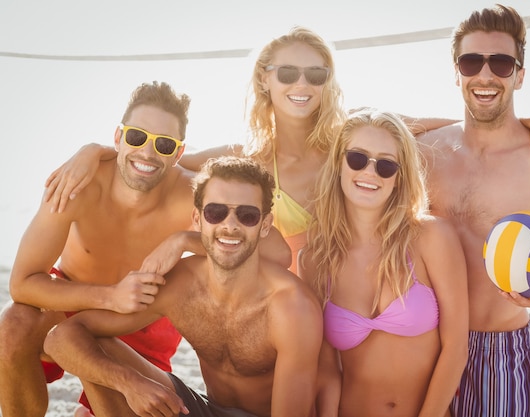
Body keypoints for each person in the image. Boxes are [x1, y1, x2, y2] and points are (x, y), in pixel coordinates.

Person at [43, 27, 530, 273]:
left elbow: (449, 126)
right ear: (265, 80)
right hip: (290, 314)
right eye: (289, 72)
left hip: (351, 308)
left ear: (327, 82)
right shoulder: (247, 159)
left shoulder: (352, 143)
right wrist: (93, 150)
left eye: (316, 72)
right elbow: (159, 158)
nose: (303, 83)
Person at [0, 82, 289, 417]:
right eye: (137, 137)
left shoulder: (191, 192)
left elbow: (277, 254)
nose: (149, 153)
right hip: (73, 297)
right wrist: (111, 296)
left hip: (143, 323)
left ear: (178, 153)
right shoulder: (78, 184)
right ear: (119, 137)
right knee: (13, 327)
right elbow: (22, 284)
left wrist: (182, 240)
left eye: (164, 145)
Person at [416, 5, 530, 416]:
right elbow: (362, 125)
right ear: (456, 71)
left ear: (519, 75)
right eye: (470, 61)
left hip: (498, 350)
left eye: (500, 63)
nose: (484, 75)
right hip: (421, 343)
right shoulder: (423, 151)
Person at [44, 156, 324, 417]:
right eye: (216, 212)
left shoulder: (291, 308)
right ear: (197, 219)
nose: (230, 226)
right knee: (100, 347)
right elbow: (60, 339)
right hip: (206, 408)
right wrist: (130, 384)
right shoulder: (182, 284)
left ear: (264, 226)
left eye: (247, 216)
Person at [298, 108, 468, 417]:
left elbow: (456, 347)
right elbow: (326, 368)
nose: (370, 172)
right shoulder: (315, 260)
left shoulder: (431, 237)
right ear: (338, 163)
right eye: (358, 159)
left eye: (386, 165)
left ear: (399, 176)